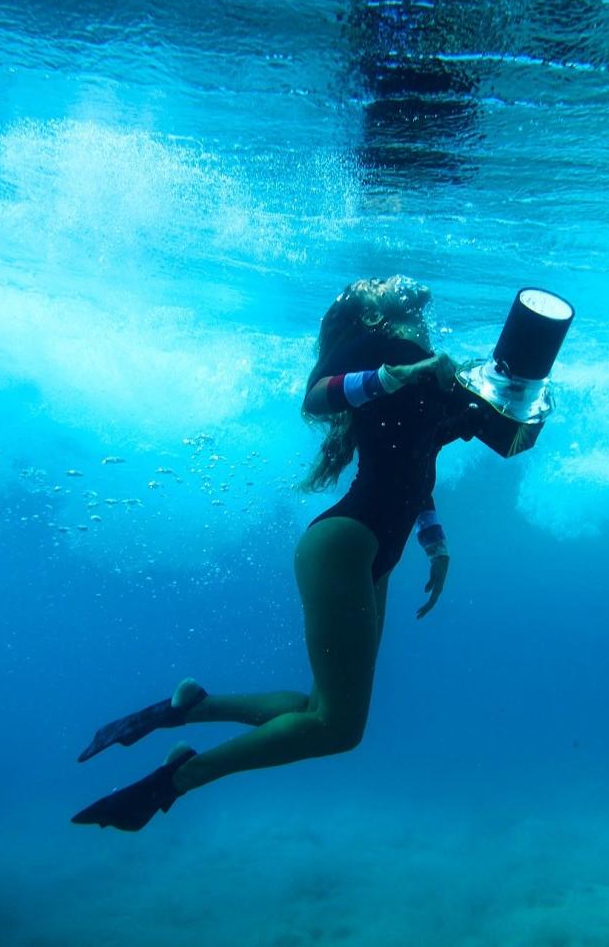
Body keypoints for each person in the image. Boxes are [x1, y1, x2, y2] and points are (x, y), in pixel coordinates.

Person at [72, 275, 480, 831]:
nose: (410, 302)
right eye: (389, 294)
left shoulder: (424, 373)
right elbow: (316, 398)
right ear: (371, 316)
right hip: (343, 546)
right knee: (339, 728)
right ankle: (176, 779)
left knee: (324, 710)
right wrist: (399, 373)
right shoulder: (375, 352)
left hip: (371, 554)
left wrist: (435, 543)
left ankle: (192, 708)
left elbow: (417, 469)